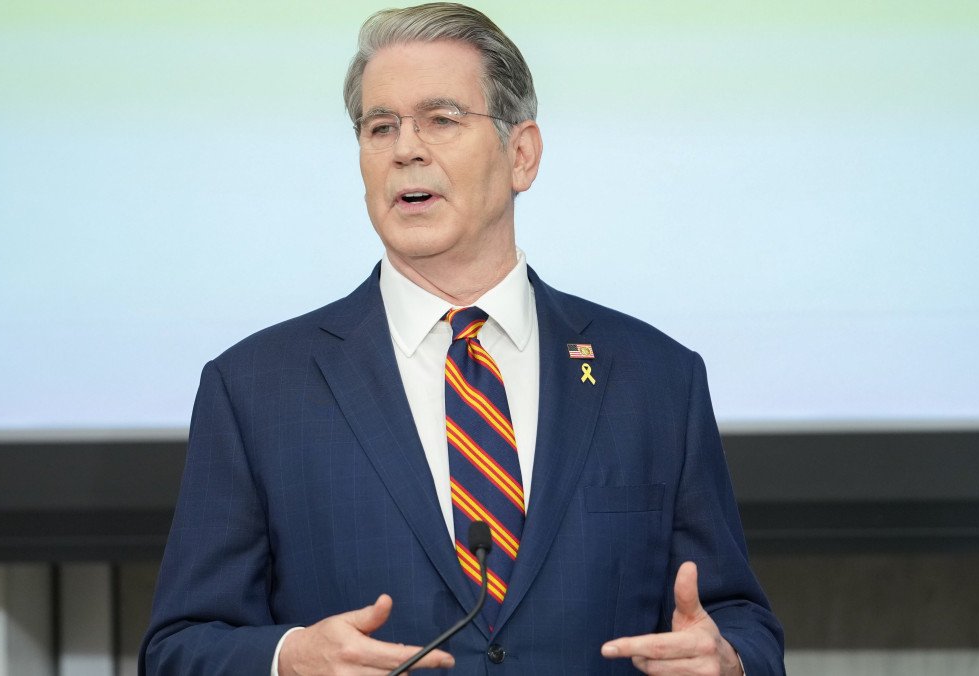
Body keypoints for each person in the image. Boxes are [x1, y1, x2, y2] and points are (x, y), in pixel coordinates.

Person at [140, 3, 784, 674]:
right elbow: (176, 649)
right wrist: (286, 659)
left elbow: (739, 621)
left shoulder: (654, 378)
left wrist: (732, 661)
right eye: (379, 126)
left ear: (521, 155)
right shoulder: (256, 389)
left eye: (442, 120)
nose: (405, 148)